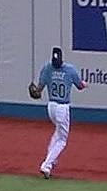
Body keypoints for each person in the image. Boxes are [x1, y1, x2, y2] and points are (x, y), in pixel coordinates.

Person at [30, 46, 86, 179]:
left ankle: (51, 159)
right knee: (62, 140)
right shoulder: (70, 70)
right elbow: (80, 86)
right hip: (62, 107)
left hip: (51, 107)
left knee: (57, 133)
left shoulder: (47, 68)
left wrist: (34, 91)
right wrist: (85, 84)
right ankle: (46, 165)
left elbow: (38, 90)